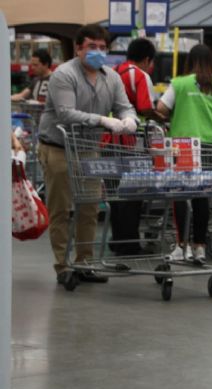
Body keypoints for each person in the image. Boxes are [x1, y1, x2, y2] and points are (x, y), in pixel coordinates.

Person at [38, 23, 138, 284]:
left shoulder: (111, 77)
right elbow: (66, 113)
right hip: (58, 147)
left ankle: (85, 262)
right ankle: (62, 265)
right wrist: (103, 121)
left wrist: (129, 120)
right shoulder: (64, 75)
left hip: (89, 150)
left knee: (90, 207)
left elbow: (125, 106)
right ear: (78, 48)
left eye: (102, 48)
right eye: (91, 47)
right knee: (61, 209)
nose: (97, 52)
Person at [156, 44, 212, 264]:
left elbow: (161, 108)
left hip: (184, 147)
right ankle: (199, 247)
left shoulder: (179, 83)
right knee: (203, 196)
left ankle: (182, 246)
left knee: (180, 194)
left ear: (188, 61)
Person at [110, 37, 161, 256]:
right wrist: (163, 117)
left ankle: (117, 240)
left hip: (106, 138)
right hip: (130, 142)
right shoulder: (140, 75)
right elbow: (144, 107)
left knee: (114, 193)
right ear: (147, 59)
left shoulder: (112, 71)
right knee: (133, 192)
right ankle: (130, 245)